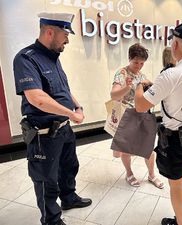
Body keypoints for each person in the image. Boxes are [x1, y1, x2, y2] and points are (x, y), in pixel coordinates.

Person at [13, 12, 92, 225]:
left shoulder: (54, 58)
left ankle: (68, 198)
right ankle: (52, 220)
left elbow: (63, 90)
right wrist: (71, 114)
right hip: (44, 134)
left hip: (64, 129)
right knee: (46, 179)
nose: (67, 39)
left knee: (69, 166)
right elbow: (36, 98)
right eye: (65, 34)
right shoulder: (26, 58)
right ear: (50, 32)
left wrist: (77, 106)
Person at [135, 23, 182, 225]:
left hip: (175, 140)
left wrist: (138, 87)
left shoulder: (171, 74)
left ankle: (180, 223)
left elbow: (141, 105)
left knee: (176, 184)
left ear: (176, 44)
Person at [110, 43, 164, 189]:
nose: (138, 66)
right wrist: (127, 87)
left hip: (142, 114)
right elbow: (113, 95)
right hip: (127, 115)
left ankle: (152, 175)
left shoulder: (141, 75)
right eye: (136, 62)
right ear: (129, 58)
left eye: (142, 63)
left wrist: (151, 84)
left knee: (148, 148)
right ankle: (129, 173)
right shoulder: (122, 73)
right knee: (127, 148)